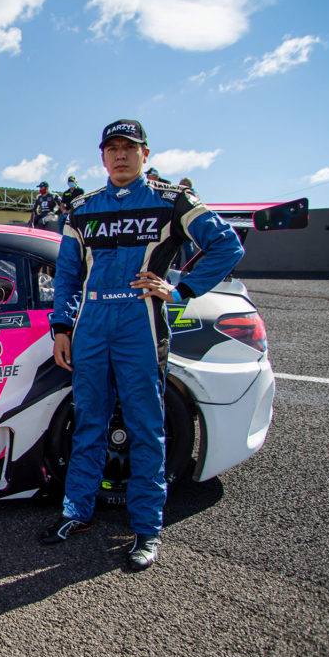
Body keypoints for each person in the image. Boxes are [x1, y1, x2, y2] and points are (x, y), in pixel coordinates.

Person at [42, 119, 244, 571]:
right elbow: (69, 275)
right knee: (88, 423)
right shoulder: (83, 208)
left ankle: (147, 529)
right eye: (111, 148)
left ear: (145, 154)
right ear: (102, 156)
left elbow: (227, 245)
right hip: (92, 326)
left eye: (129, 148)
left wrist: (182, 289)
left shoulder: (172, 201)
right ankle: (77, 513)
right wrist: (62, 328)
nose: (120, 155)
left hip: (141, 325)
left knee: (146, 427)